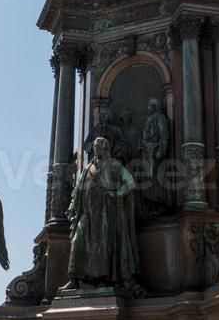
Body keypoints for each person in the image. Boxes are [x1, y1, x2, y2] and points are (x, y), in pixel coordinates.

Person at [60, 137, 142, 295]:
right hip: (87, 213)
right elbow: (77, 190)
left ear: (105, 148)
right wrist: (72, 208)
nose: (94, 149)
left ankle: (103, 278)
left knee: (103, 244)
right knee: (77, 240)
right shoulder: (88, 168)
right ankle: (74, 279)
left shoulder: (115, 165)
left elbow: (130, 183)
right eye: (94, 147)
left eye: (97, 147)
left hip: (106, 212)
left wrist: (117, 193)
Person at [140, 98, 171, 213]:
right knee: (148, 179)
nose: (148, 107)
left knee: (156, 179)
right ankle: (151, 205)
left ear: (154, 106)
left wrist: (161, 151)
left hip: (155, 153)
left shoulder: (159, 117)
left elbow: (164, 135)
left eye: (149, 105)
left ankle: (159, 204)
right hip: (147, 153)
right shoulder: (150, 118)